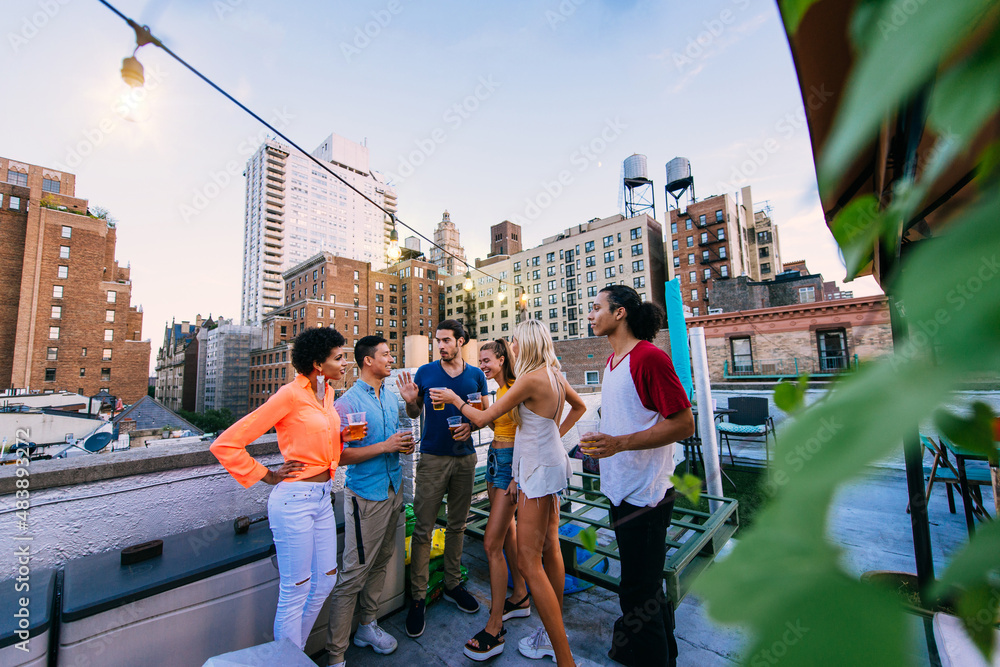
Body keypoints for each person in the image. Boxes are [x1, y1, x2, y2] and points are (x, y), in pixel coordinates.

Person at [432, 319, 586, 666]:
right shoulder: (554, 374)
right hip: (549, 464)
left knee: (530, 564)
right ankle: (550, 635)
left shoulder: (530, 379)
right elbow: (579, 407)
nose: (511, 346)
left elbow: (485, 418)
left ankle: (565, 659)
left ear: (526, 343)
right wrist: (553, 438)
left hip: (533, 470)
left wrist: (456, 399)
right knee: (550, 546)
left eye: (514, 341)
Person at [210, 327, 363, 650]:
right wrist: (266, 474)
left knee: (325, 581)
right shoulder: (289, 395)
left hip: (322, 498)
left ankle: (292, 654)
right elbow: (227, 443)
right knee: (296, 590)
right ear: (318, 364)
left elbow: (319, 442)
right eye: (339, 358)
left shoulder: (328, 395)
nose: (345, 363)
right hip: (294, 500)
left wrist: (341, 439)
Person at [582, 285, 694, 667]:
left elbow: (683, 423)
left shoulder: (649, 358)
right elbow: (624, 421)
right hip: (620, 492)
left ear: (620, 314)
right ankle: (666, 654)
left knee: (636, 593)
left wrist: (620, 443)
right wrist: (603, 443)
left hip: (646, 495)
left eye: (596, 308)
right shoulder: (613, 363)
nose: (589, 315)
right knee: (645, 589)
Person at [395, 320, 490, 638]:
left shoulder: (476, 375)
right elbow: (413, 414)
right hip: (433, 459)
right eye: (437, 341)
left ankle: (452, 584)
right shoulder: (425, 373)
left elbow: (483, 413)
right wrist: (411, 400)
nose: (441, 345)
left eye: (447, 340)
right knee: (423, 529)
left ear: (461, 342)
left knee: (457, 525)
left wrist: (472, 427)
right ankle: (418, 599)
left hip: (465, 459)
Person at [325, 336, 414, 667]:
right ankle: (335, 656)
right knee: (352, 575)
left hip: (394, 491)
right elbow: (340, 456)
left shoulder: (390, 398)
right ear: (367, 361)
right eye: (386, 355)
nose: (392, 359)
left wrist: (403, 446)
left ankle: (367, 626)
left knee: (381, 561)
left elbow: (393, 441)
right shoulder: (347, 404)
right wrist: (386, 447)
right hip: (366, 497)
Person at [462, 338, 530, 661]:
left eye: (486, 360)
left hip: (509, 467)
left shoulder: (518, 386)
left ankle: (494, 626)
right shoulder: (500, 391)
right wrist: (476, 419)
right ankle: (520, 596)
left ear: (502, 359)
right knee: (507, 532)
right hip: (493, 459)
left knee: (491, 544)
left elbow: (528, 433)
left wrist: (517, 475)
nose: (482, 366)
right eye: (480, 360)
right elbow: (494, 422)